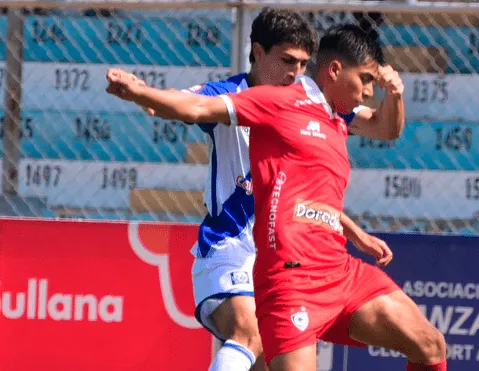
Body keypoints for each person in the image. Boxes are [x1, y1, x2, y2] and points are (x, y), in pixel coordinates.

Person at [106, 23, 447, 371]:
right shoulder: (279, 101)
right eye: (365, 81)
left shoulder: (338, 117)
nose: (369, 93)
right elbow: (194, 107)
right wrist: (138, 93)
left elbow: (387, 130)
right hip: (289, 278)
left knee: (429, 345)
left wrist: (397, 95)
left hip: (339, 271)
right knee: (247, 338)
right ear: (334, 71)